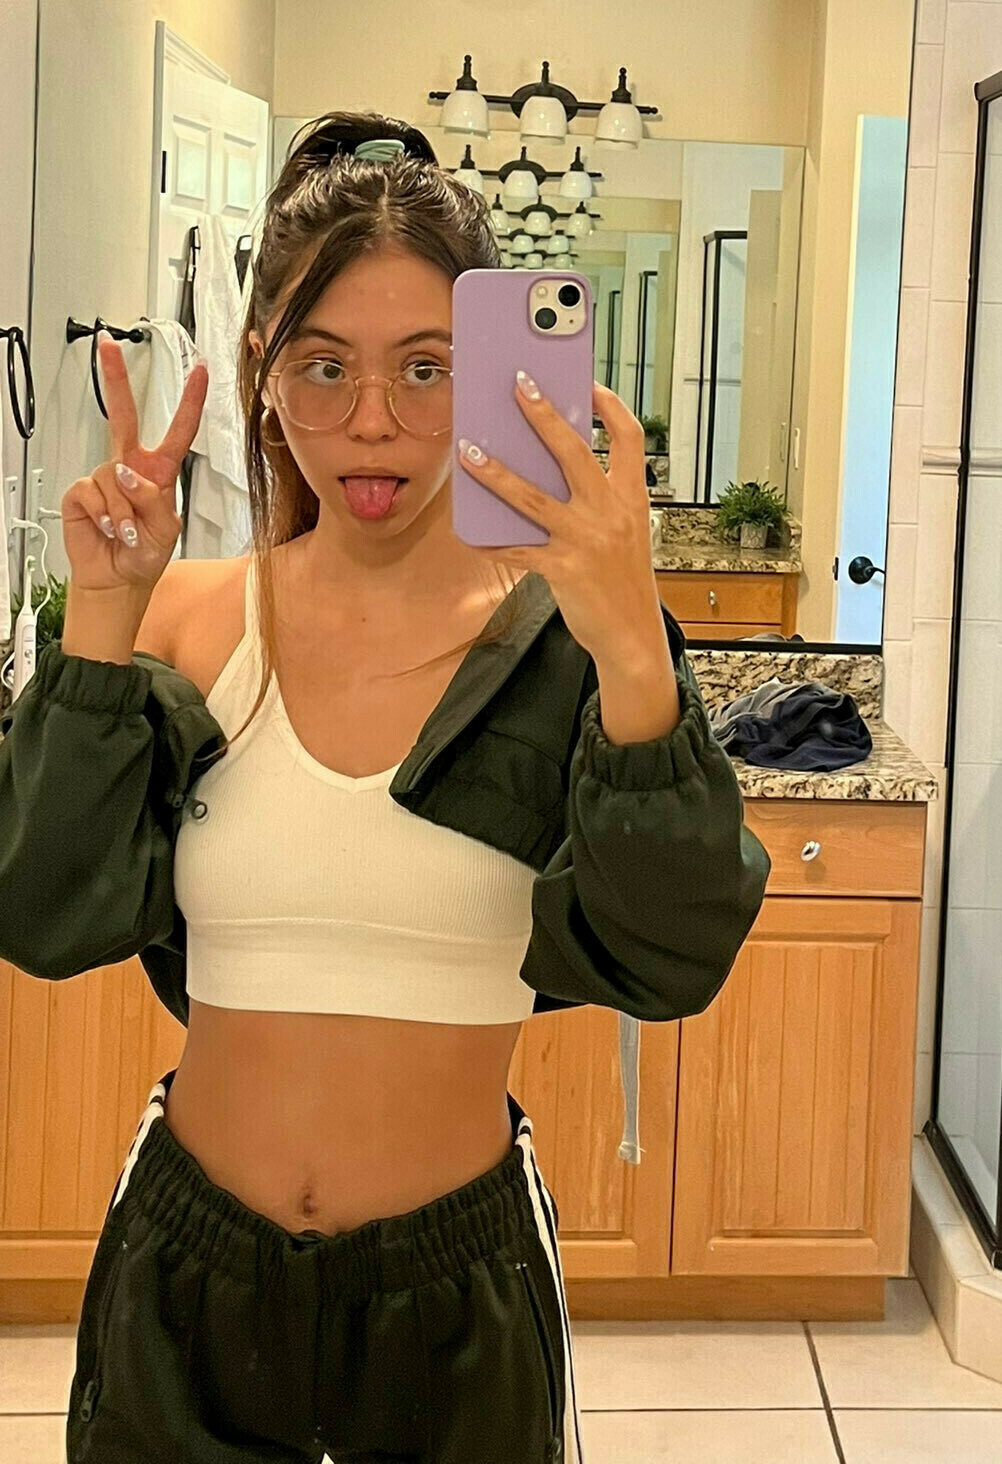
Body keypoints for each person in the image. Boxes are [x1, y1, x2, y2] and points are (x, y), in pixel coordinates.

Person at [0, 111, 770, 1463]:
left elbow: (667, 955)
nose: (372, 423)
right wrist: (104, 616)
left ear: (493, 378)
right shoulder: (184, 621)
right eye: (324, 367)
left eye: (426, 369)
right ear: (263, 371)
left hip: (456, 1301)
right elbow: (45, 915)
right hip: (186, 1286)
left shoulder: (559, 647)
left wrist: (632, 641)